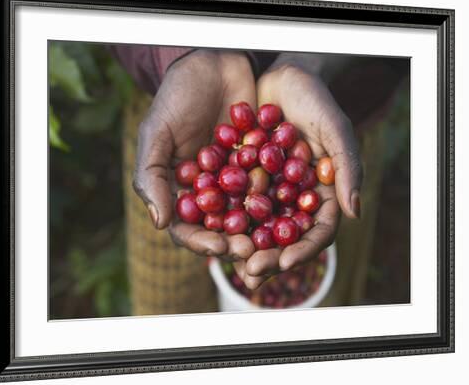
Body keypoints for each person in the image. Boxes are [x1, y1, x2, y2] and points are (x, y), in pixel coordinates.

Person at [111, 45, 408, 292]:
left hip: (337, 117)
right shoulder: (210, 158)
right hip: (181, 117)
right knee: (168, 294)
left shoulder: (271, 169)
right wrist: (180, 52)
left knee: (327, 284)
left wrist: (309, 57)